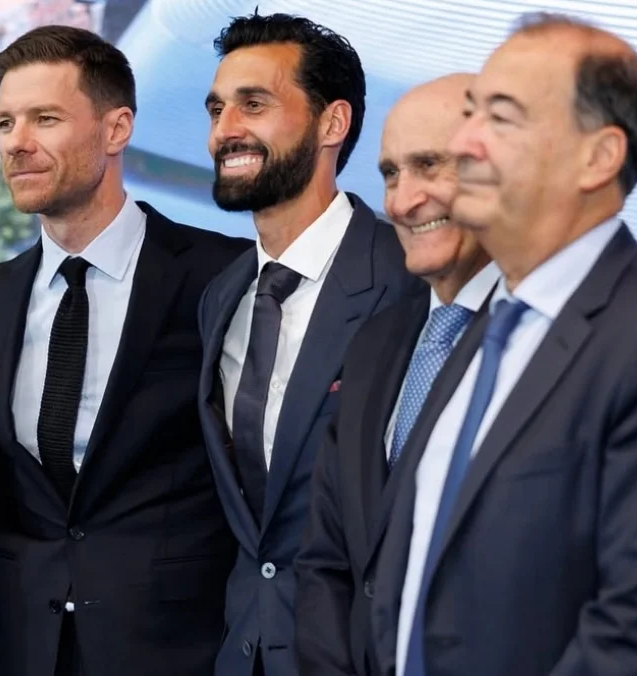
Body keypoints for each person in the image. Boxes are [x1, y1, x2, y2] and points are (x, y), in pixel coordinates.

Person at [370, 14, 637, 676]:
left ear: (599, 157)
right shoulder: (479, 330)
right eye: (469, 113)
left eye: (499, 117)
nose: (466, 140)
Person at [0, 25, 250, 676]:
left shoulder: (220, 275)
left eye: (45, 118)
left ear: (116, 130)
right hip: (24, 649)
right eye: (5, 122)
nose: (16, 144)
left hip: (178, 651)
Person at [197, 13, 420, 676]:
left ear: (332, 123)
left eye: (254, 104)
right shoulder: (222, 295)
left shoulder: (409, 283)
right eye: (217, 108)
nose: (224, 130)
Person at [293, 73, 499, 676]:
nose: (400, 201)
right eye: (389, 174)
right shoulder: (378, 340)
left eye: (430, 166)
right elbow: (328, 560)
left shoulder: (551, 342)